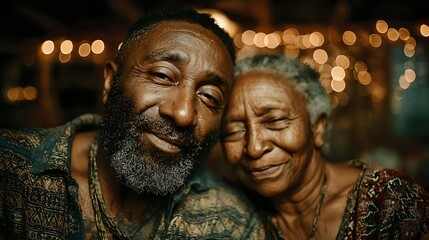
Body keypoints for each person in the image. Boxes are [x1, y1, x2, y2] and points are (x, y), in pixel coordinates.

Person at [0, 8, 265, 239]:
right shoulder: (10, 172)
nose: (183, 113)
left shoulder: (231, 220)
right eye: (162, 75)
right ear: (110, 82)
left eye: (209, 96)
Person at [220, 53, 429, 239]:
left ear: (317, 129)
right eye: (233, 131)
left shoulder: (393, 202)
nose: (254, 148)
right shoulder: (231, 214)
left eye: (274, 121)